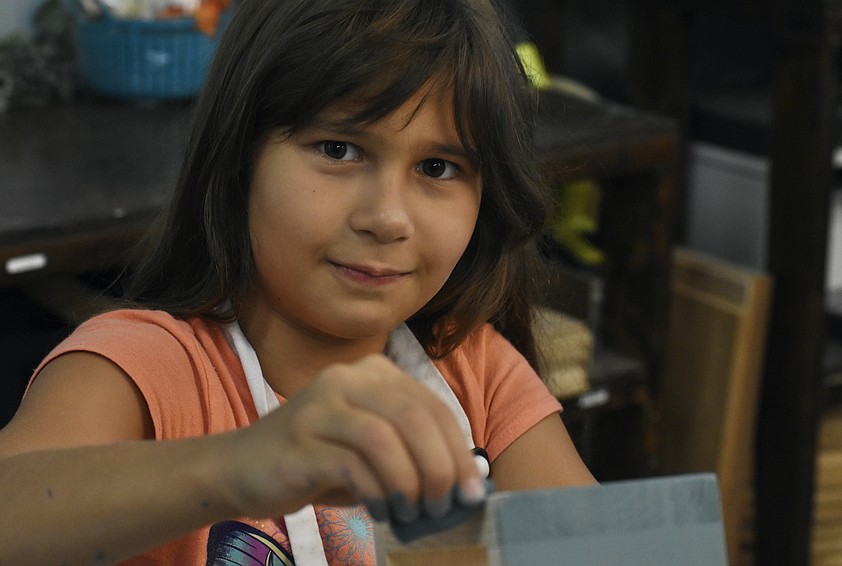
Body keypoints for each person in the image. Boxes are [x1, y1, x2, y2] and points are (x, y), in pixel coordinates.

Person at [0, 0, 595, 563]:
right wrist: (241, 466)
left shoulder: (476, 373)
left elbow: (609, 544)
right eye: (339, 150)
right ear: (237, 162)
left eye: (437, 168)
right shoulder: (141, 370)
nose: (387, 218)